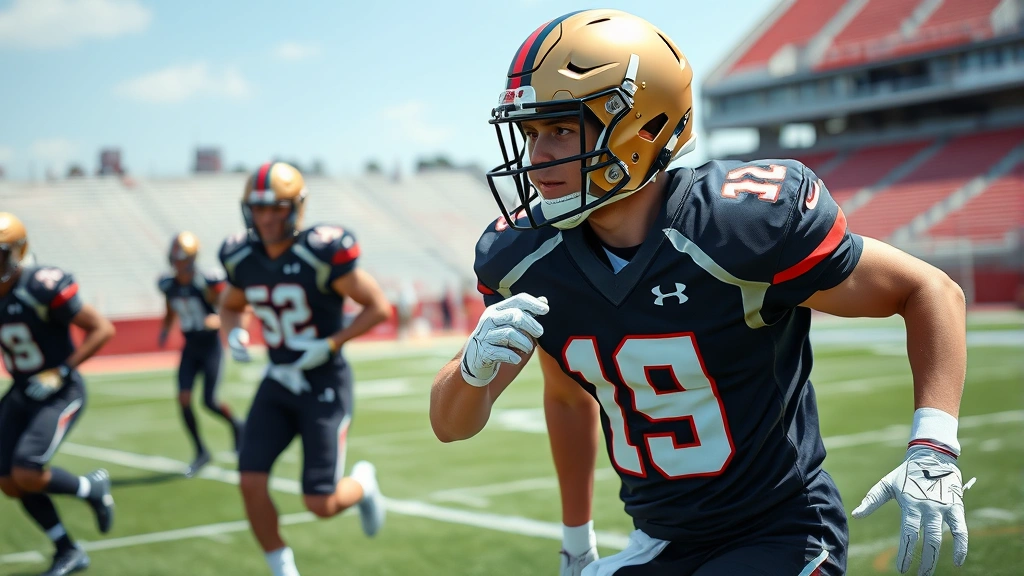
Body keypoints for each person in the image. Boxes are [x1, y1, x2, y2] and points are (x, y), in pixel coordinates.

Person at [429, 10, 971, 576]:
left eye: (561, 129)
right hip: (660, 543)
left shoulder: (739, 224)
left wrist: (933, 446)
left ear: (642, 125)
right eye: (530, 133)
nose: (538, 156)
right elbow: (483, 417)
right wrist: (472, 373)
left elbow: (929, 289)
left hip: (781, 531)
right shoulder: (529, 257)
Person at [218, 162, 393, 576]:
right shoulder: (242, 257)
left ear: (296, 208)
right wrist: (233, 332)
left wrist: (331, 343)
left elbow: (378, 307)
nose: (267, 218)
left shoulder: (319, 252)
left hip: (324, 382)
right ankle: (282, 568)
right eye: (259, 208)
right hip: (278, 381)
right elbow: (230, 305)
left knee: (320, 503)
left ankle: (363, 485)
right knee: (249, 481)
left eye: (277, 207)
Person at [0, 212, 117, 576]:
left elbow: (102, 329)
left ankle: (91, 488)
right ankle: (68, 550)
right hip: (22, 389)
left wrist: (62, 369)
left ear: (17, 253)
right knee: (8, 482)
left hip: (59, 391)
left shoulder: (39, 285)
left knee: (26, 470)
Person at [157, 231, 244, 477]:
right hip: (190, 347)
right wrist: (165, 329)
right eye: (175, 259)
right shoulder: (169, 285)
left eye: (182, 259)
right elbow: (170, 309)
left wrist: (215, 321)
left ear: (192, 258)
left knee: (209, 401)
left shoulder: (206, 282)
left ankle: (237, 425)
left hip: (210, 347)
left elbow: (226, 309)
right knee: (184, 399)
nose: (177, 264)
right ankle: (200, 451)